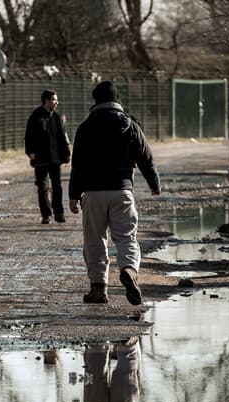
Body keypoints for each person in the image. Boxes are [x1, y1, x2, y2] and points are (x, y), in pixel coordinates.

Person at [68, 81, 160, 304]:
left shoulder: (85, 127)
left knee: (95, 240)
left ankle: (98, 288)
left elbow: (77, 163)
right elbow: (145, 157)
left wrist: (73, 194)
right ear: (118, 100)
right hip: (122, 191)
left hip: (92, 192)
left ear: (95, 101)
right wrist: (154, 182)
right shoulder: (130, 125)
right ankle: (129, 270)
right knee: (127, 237)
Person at [24, 89, 71, 224]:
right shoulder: (36, 117)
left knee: (57, 186)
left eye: (56, 100)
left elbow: (63, 137)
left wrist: (66, 153)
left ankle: (59, 213)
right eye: (54, 100)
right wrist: (30, 152)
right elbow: (28, 136)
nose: (56, 102)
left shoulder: (56, 117)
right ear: (46, 101)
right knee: (42, 187)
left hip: (55, 159)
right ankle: (46, 214)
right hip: (40, 159)